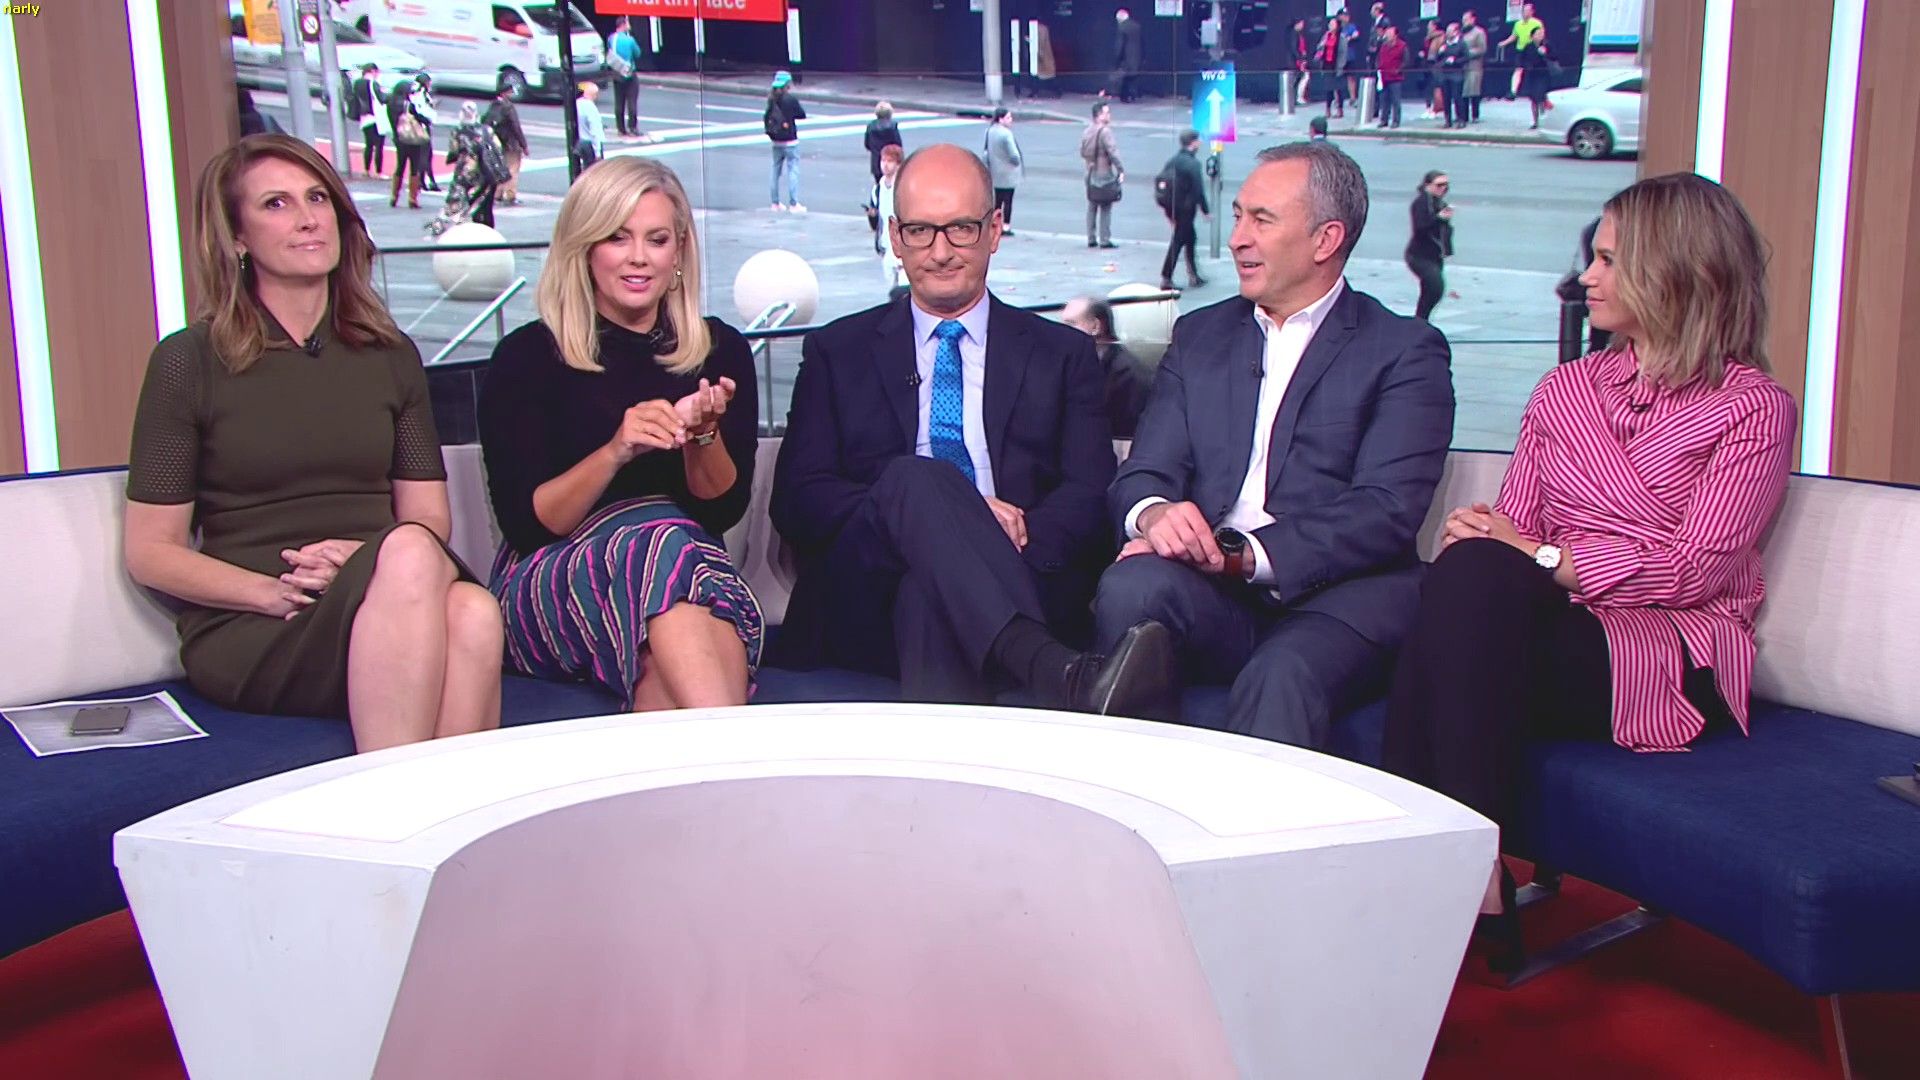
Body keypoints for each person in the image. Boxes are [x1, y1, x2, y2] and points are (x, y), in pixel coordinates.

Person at [1381, 173, 1796, 968]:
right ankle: (1470, 876)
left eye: (1608, 261)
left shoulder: (1753, 409)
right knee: (1465, 574)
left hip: (1672, 652)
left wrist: (1542, 557)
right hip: (1556, 627)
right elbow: (1515, 528)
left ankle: (1426, 872)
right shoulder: (1566, 389)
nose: (1586, 278)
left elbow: (1692, 570)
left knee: (1458, 608)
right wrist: (1489, 538)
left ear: (1674, 272)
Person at [123, 134, 500, 752]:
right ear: (237, 237)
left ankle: (422, 803)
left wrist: (361, 560)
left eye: (317, 198)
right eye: (276, 204)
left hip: (384, 590)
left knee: (473, 612)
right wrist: (272, 593)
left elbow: (428, 518)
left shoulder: (389, 355)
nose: (307, 218)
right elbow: (150, 552)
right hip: (259, 620)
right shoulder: (188, 361)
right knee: (418, 564)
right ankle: (400, 787)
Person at [770, 144, 1173, 715]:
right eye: (920, 231)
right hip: (865, 596)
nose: (940, 252)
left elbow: (1087, 495)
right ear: (895, 236)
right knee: (914, 480)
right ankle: (1055, 671)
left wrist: (980, 547)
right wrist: (944, 514)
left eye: (960, 229)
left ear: (994, 229)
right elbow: (798, 499)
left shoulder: (1062, 355)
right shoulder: (837, 351)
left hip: (1019, 579)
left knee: (928, 594)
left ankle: (1019, 687)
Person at [1094, 141, 1455, 748]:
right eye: (1238, 216)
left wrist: (1240, 554)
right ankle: (1131, 794)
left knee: (1281, 673)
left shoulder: (1403, 351)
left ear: (1325, 240)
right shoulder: (1201, 336)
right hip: (1215, 591)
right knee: (1131, 586)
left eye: (1261, 220)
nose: (1238, 239)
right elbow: (1144, 471)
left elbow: (1386, 509)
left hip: (1340, 599)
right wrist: (1155, 516)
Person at [479, 157, 763, 711]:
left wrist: (703, 436)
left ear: (679, 251)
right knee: (664, 548)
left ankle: (713, 755)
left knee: (671, 626)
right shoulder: (527, 357)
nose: (638, 257)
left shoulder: (719, 351)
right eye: (617, 237)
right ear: (585, 247)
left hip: (681, 572)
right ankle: (739, 751)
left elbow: (721, 511)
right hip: (551, 580)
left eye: (657, 239)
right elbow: (529, 526)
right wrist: (616, 451)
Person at [1062, 295, 1153, 439]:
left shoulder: (1130, 377)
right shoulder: (1075, 366)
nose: (1061, 332)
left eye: (1070, 324)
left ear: (1096, 326)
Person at [427, 102, 505, 236]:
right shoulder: (487, 130)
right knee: (483, 201)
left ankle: (447, 225)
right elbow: (498, 147)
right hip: (485, 171)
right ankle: (484, 228)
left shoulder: (458, 131)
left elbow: (454, 150)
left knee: (456, 198)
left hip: (464, 169)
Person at [1156, 130, 1210, 292]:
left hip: (1173, 207)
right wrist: (1205, 210)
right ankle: (1167, 277)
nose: (1200, 143)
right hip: (1186, 209)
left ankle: (1193, 275)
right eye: (1198, 141)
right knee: (1179, 241)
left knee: (1190, 238)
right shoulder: (1192, 164)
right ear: (1193, 143)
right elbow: (1198, 189)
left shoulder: (1173, 160)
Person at [1405, 170, 1454, 320]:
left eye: (1446, 185)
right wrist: (1439, 218)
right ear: (1428, 185)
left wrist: (1447, 249)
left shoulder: (1439, 203)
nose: (1443, 189)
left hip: (1434, 256)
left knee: (1431, 292)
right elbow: (1420, 227)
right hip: (1418, 255)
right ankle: (1420, 321)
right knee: (1435, 287)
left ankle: (1420, 322)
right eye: (1439, 185)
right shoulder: (1421, 203)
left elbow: (1442, 232)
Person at [865, 143, 908, 298]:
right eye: (883, 160)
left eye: (890, 161)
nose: (885, 165)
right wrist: (872, 216)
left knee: (904, 291)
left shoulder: (904, 187)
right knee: (891, 293)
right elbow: (878, 222)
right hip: (886, 247)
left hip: (903, 248)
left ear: (898, 165)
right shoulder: (878, 188)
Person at [1080, 101, 1123, 250]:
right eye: (1106, 112)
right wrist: (1120, 169)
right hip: (1104, 173)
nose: (1109, 115)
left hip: (1090, 172)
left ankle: (1091, 238)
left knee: (1092, 204)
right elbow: (1113, 152)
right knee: (1105, 205)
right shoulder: (1105, 132)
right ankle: (1104, 239)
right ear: (1099, 115)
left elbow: (1082, 152)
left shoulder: (1087, 131)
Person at [386, 80, 433, 210]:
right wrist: (427, 120)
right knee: (414, 167)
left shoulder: (391, 104)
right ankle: (412, 198)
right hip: (412, 140)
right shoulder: (409, 105)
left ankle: (394, 196)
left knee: (400, 167)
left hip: (399, 139)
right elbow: (419, 118)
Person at [765, 71, 806, 212]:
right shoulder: (790, 99)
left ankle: (775, 203)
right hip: (790, 140)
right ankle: (793, 204)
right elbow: (802, 114)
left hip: (776, 140)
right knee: (793, 170)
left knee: (775, 170)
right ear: (787, 84)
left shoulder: (771, 99)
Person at [983, 107, 1024, 236]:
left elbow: (986, 152)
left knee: (998, 200)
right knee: (1008, 200)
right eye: (1008, 117)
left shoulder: (990, 131)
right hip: (1008, 173)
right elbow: (1014, 155)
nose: (1011, 120)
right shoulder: (1006, 134)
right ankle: (1006, 226)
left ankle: (994, 224)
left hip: (995, 171)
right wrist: (1016, 162)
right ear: (1001, 119)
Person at [485, 88, 529, 206]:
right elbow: (516, 127)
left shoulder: (493, 106)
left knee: (499, 168)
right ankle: (510, 195)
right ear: (505, 93)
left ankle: (497, 193)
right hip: (511, 144)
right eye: (510, 92)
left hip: (498, 143)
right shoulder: (508, 107)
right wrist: (524, 145)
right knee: (512, 169)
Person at [607, 17, 643, 140]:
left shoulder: (611, 38)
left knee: (619, 101)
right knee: (632, 101)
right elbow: (637, 53)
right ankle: (632, 127)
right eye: (627, 23)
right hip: (629, 73)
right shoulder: (630, 40)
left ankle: (621, 128)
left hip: (617, 72)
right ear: (623, 25)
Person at [349, 64, 387, 177]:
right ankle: (378, 172)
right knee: (379, 146)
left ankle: (366, 170)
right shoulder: (373, 84)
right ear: (373, 71)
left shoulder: (357, 83)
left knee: (369, 145)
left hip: (364, 118)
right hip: (376, 118)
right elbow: (382, 99)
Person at [1499, 2, 1544, 99]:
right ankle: (1513, 92)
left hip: (1532, 51)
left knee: (1533, 72)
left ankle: (1534, 92)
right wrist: (1504, 43)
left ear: (1532, 12)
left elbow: (1541, 36)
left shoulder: (1537, 23)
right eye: (1524, 11)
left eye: (1527, 11)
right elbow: (1514, 36)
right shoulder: (1518, 24)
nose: (1525, 13)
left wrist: (1540, 47)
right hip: (1521, 50)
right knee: (1518, 70)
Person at [1435, 23, 1469, 128]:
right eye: (1447, 31)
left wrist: (1455, 60)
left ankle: (1461, 120)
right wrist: (1440, 52)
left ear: (1456, 32)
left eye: (1450, 31)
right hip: (1445, 74)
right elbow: (1437, 59)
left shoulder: (1461, 44)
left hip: (1456, 74)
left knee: (1457, 97)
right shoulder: (1444, 44)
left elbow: (1466, 58)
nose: (1448, 34)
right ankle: (1447, 120)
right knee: (1446, 98)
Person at [1376, 25, 1408, 129]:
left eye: (1389, 34)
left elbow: (1406, 60)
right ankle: (1384, 120)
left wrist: (1399, 70)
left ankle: (1396, 121)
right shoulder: (1384, 46)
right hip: (1384, 76)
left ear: (1395, 35)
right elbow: (1379, 58)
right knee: (1384, 100)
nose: (1387, 35)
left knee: (1395, 100)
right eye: (1387, 34)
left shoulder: (1402, 46)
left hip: (1395, 78)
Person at [413, 73, 440, 193]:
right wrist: (426, 119)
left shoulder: (422, 94)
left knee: (426, 155)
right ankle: (426, 181)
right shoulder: (420, 95)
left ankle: (423, 180)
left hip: (424, 126)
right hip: (422, 127)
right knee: (425, 155)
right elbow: (419, 111)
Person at [864, 101, 903, 182]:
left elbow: (867, 144)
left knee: (879, 184)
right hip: (891, 161)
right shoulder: (892, 126)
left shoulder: (871, 126)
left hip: (876, 163)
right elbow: (898, 144)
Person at [1112, 9, 1144, 103]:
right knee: (1133, 77)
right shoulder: (1137, 26)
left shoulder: (1122, 28)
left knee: (1124, 78)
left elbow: (1120, 45)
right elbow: (1142, 42)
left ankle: (1125, 97)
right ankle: (1133, 94)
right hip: (1137, 56)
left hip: (1126, 58)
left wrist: (1117, 58)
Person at [1462, 10, 1488, 122]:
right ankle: (1464, 116)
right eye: (1463, 20)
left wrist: (1467, 53)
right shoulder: (1461, 33)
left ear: (1473, 19)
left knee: (1474, 92)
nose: (1464, 22)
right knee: (1463, 93)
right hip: (1462, 67)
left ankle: (1475, 115)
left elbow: (1482, 49)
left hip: (1474, 67)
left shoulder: (1479, 32)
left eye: (1466, 19)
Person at [574, 81, 605, 173]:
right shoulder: (590, 108)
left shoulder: (577, 104)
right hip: (590, 144)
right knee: (594, 171)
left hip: (579, 141)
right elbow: (595, 130)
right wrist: (598, 152)